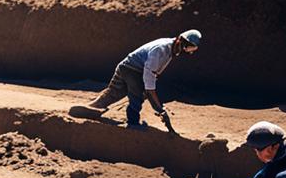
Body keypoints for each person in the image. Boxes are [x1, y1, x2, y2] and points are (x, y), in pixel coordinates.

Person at [72, 30, 201, 129]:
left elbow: (154, 74)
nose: (186, 51)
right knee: (137, 95)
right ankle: (133, 123)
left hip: (127, 67)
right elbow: (149, 80)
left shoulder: (170, 50)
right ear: (179, 40)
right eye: (186, 47)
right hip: (131, 69)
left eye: (190, 49)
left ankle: (91, 108)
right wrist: (159, 108)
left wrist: (152, 98)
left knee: (115, 93)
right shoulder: (161, 50)